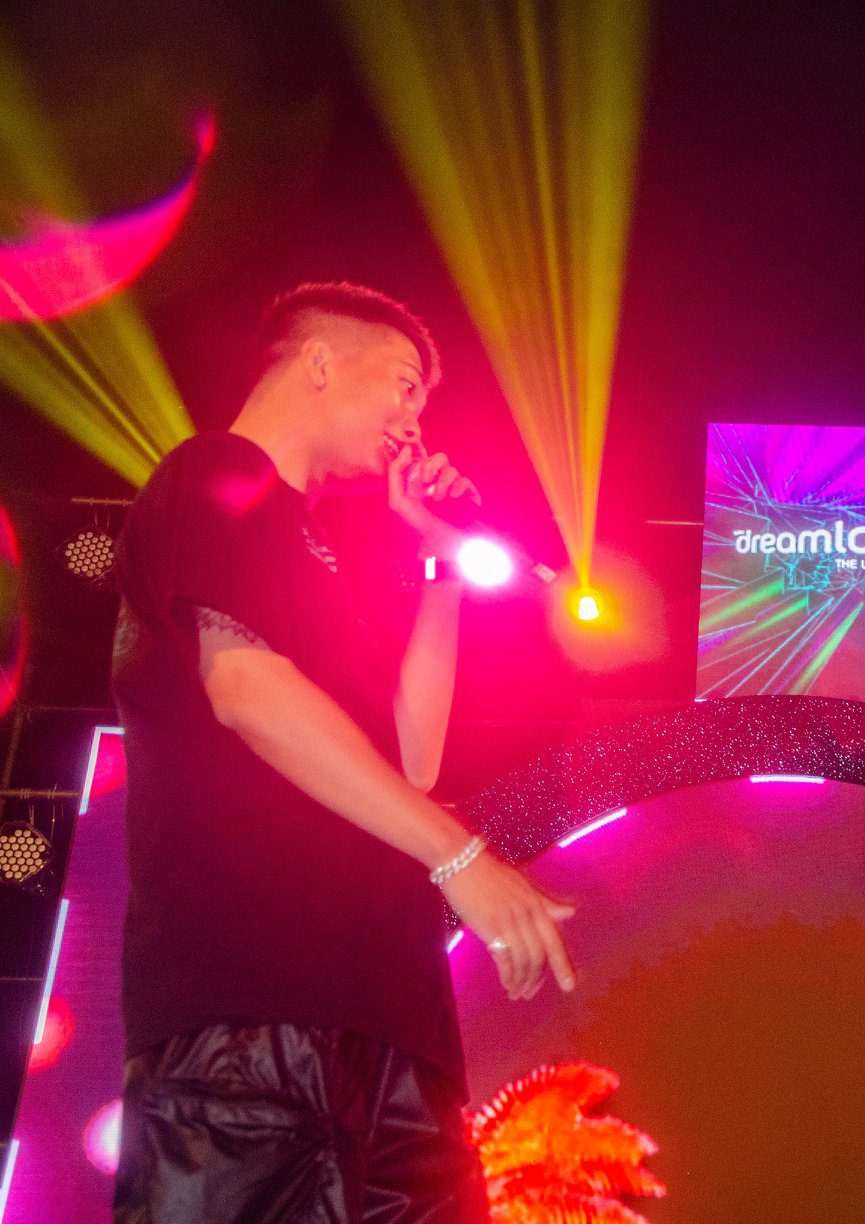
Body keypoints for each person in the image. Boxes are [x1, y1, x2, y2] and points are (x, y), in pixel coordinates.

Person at [109, 282, 576, 1222]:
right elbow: (246, 689)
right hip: (254, 1014)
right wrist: (461, 858)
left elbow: (412, 760)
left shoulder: (319, 563)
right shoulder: (215, 475)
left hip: (394, 1033)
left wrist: (441, 561)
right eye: (403, 385)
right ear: (319, 362)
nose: (414, 422)